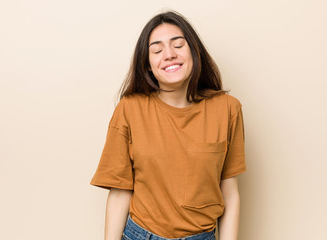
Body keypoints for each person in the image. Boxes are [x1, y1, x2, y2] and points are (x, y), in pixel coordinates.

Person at [90, 11, 246, 240]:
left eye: (178, 45)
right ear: (148, 64)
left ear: (194, 52)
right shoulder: (129, 109)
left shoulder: (228, 109)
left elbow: (230, 193)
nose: (169, 55)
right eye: (157, 50)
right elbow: (120, 191)